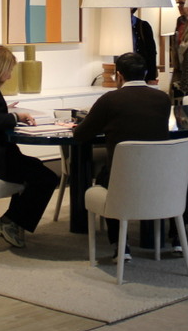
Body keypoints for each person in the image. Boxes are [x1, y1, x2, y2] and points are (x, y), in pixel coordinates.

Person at [73, 52, 173, 258]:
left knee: (105, 177)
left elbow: (81, 135)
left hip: (122, 178)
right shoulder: (163, 99)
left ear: (119, 76)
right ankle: (173, 239)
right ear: (145, 72)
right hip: (158, 176)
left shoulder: (110, 100)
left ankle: (120, 244)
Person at [0, 45, 59, 247]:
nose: (9, 76)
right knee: (46, 177)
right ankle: (11, 222)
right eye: (8, 70)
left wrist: (6, 112)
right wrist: (14, 117)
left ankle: (11, 221)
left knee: (35, 168)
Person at [130, 8, 158, 83]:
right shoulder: (117, 25)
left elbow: (151, 52)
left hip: (142, 72)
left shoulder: (143, 26)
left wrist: (152, 77)